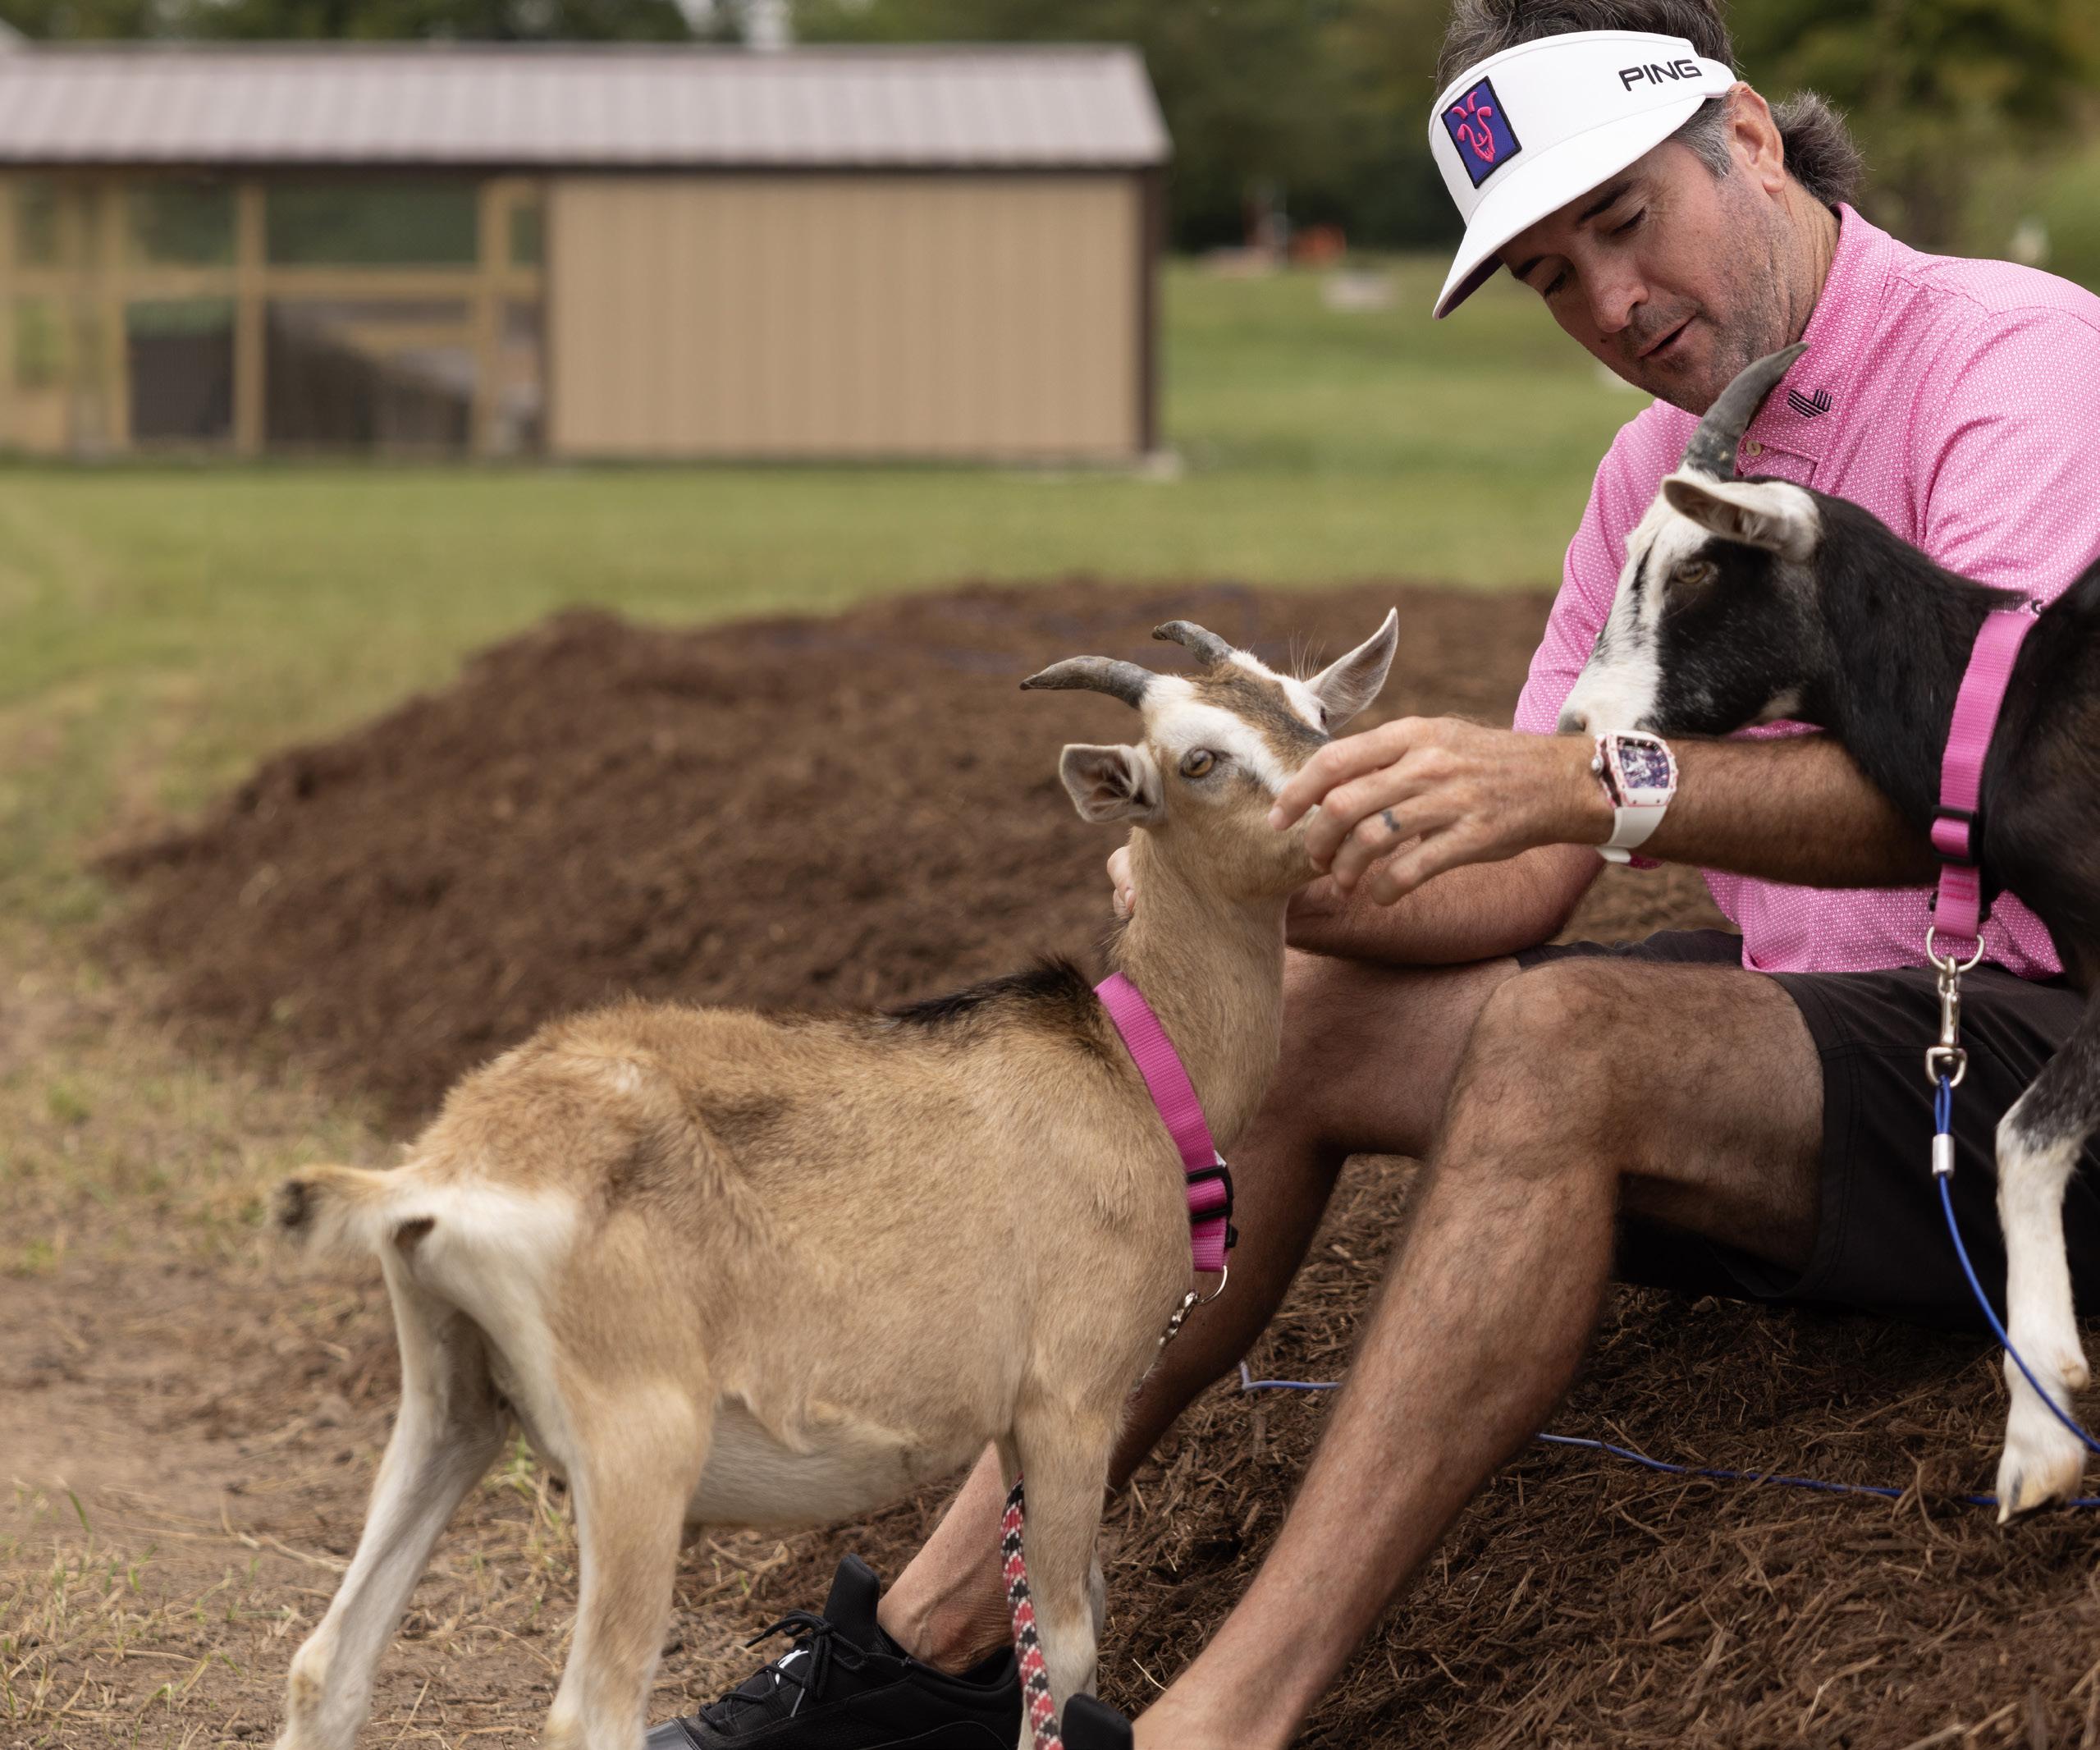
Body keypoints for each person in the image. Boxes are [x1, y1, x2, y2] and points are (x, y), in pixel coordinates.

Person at [649, 2, 2100, 1745]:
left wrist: (1587, 781)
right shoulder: (1647, 471)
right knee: (1300, 1013)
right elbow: (1516, 879)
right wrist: (1262, 878)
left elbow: (2016, 789)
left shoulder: (2016, 364)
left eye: (1624, 219)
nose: (1610, 302)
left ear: (1745, 137)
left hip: (2053, 1045)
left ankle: (1222, 1723)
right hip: (1840, 1033)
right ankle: (934, 1641)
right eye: (1551, 275)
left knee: (1567, 1042)